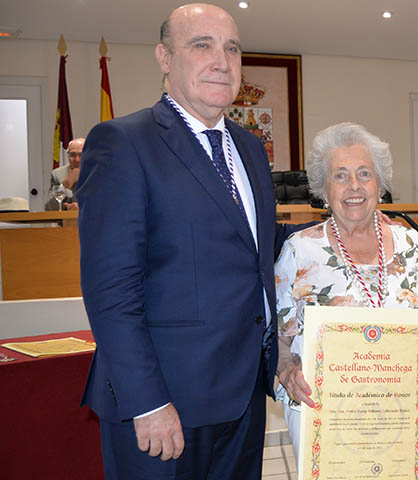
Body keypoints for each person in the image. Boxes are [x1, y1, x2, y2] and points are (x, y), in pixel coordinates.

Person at [77, 4, 312, 478]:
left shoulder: (247, 146)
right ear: (165, 58)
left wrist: (346, 230)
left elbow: (255, 242)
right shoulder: (123, 142)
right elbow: (111, 291)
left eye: (231, 48)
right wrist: (147, 402)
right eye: (201, 45)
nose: (221, 61)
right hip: (166, 402)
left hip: (243, 392)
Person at [275, 122, 418, 460]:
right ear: (323, 190)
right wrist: (287, 372)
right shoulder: (299, 252)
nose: (353, 186)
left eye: (364, 174)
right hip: (323, 414)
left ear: (380, 184)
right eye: (340, 175)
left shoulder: (412, 246)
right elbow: (280, 339)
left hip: (399, 413)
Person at [45, 137, 84, 210]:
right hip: (66, 220)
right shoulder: (58, 174)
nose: (77, 160)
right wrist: (65, 184)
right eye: (73, 155)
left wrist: (83, 209)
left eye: (81, 155)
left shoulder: (99, 173)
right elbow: (50, 208)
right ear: (68, 155)